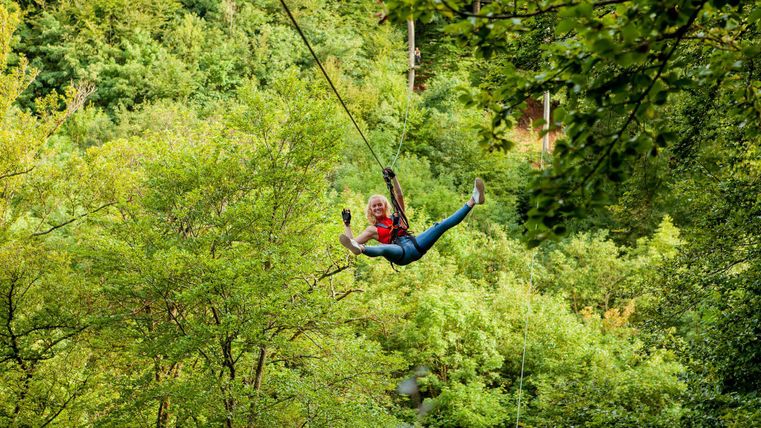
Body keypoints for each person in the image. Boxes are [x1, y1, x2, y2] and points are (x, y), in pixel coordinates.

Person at [338, 168, 485, 265]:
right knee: (382, 248)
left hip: (415, 244)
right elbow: (351, 242)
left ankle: (474, 200)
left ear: (385, 206)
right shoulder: (372, 230)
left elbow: (399, 195)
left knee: (440, 226)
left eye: (379, 204)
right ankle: (363, 250)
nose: (377, 207)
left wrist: (393, 178)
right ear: (370, 210)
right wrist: (347, 225)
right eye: (374, 206)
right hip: (399, 253)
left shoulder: (397, 216)